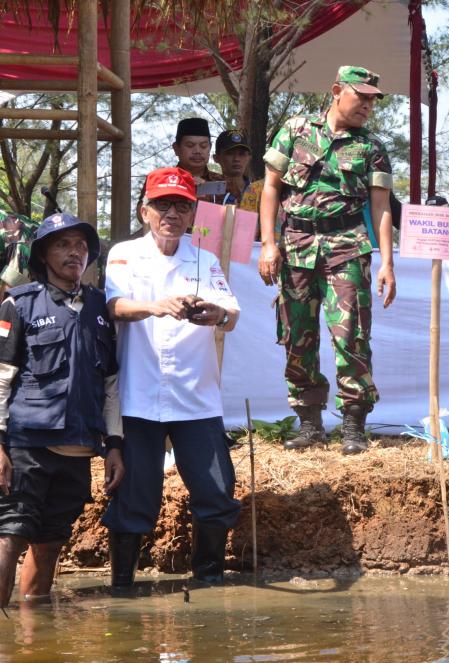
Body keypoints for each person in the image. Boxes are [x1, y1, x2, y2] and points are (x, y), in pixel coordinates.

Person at [102, 167, 241, 589]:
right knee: (133, 495)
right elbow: (114, 307)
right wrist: (156, 305)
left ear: (193, 213)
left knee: (216, 491)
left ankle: (209, 583)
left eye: (182, 206)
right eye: (163, 204)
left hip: (195, 398)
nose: (172, 214)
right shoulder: (123, 254)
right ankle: (122, 587)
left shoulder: (204, 259)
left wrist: (216, 314)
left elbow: (230, 313)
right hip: (140, 396)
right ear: (146, 210)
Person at [258, 65, 396, 453]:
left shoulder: (371, 147)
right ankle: (309, 423)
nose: (368, 106)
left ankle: (353, 425)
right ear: (337, 90)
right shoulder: (295, 129)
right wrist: (269, 244)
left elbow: (382, 208)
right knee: (296, 335)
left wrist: (387, 262)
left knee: (351, 335)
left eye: (373, 100)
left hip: (347, 244)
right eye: (362, 96)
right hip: (296, 244)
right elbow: (270, 188)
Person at [0, 213, 124, 609]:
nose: (74, 252)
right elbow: (1, 378)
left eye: (81, 246)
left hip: (80, 448)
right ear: (42, 254)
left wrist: (115, 445)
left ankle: (32, 631)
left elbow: (110, 385)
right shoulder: (18, 305)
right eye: (62, 245)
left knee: (51, 540)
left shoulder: (103, 309)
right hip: (26, 445)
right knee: (10, 534)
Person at [135, 118, 226, 223]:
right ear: (176, 148)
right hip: (170, 237)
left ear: (209, 148)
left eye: (203, 146)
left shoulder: (222, 182)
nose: (197, 151)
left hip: (212, 238)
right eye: (190, 146)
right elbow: (141, 215)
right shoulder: (161, 179)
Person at [211, 129, 264, 211]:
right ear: (216, 158)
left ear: (249, 157)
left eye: (242, 154)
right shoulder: (210, 191)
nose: (236, 159)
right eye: (230, 153)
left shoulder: (259, 192)